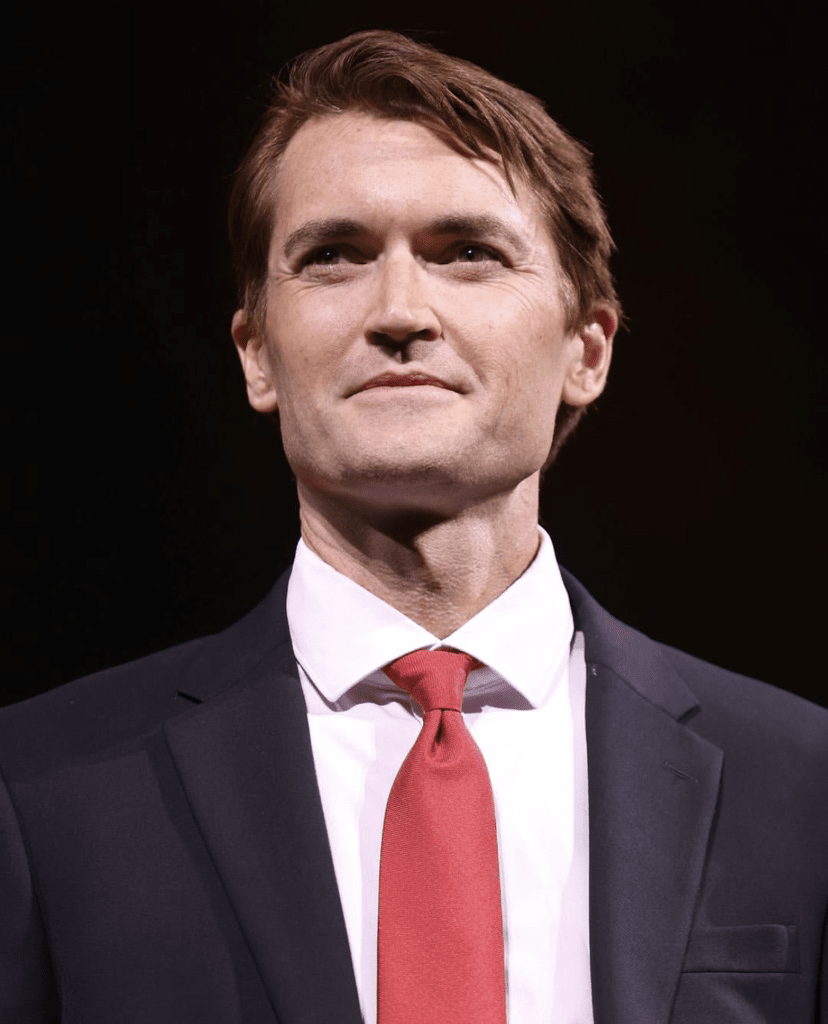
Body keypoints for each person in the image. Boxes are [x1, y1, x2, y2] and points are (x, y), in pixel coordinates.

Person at [1, 29, 826, 1024]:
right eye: (333, 256)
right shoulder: (35, 789)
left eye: (468, 253)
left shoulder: (804, 784)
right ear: (256, 353)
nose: (400, 311)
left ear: (587, 350)